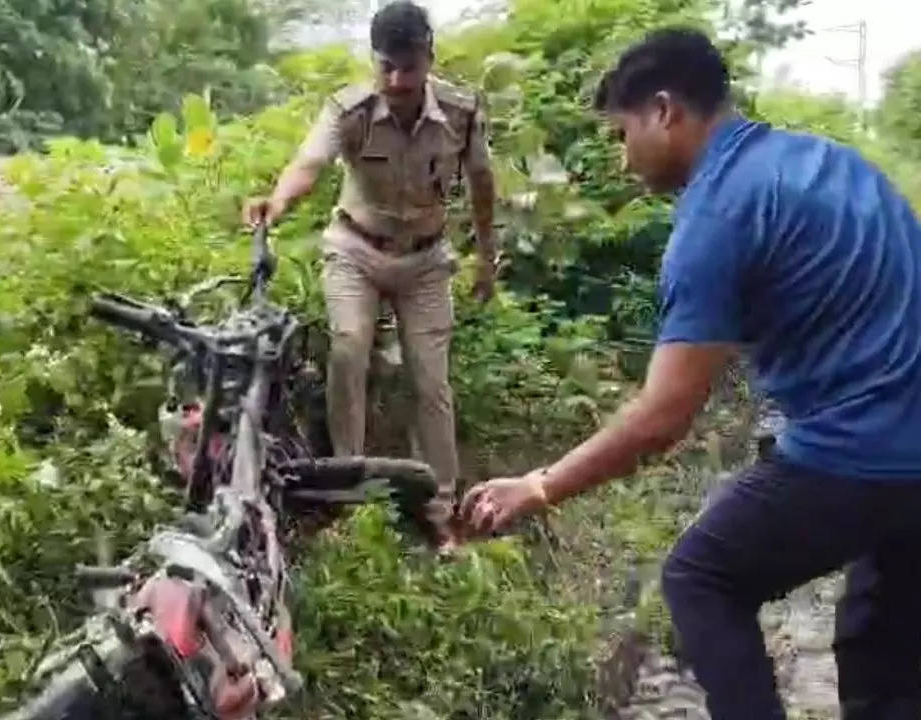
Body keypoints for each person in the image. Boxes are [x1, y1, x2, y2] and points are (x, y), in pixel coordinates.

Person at [460, 27, 921, 719]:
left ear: (665, 112)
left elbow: (664, 417)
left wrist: (540, 484)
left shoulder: (717, 215)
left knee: (701, 577)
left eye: (620, 136)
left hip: (857, 454)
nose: (620, 162)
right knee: (881, 654)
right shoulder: (830, 163)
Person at [243, 1, 499, 549]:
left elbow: (482, 185)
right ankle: (347, 491)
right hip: (355, 250)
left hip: (426, 260)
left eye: (408, 67)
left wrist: (486, 255)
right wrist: (277, 203)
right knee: (348, 347)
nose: (396, 80)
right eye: (386, 66)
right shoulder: (351, 109)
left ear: (428, 58)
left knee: (432, 380)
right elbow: (308, 164)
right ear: (373, 60)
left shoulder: (462, 112)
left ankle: (440, 507)